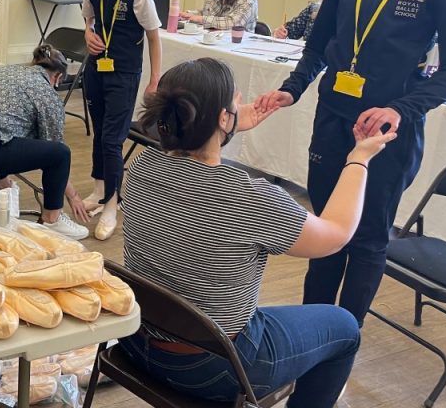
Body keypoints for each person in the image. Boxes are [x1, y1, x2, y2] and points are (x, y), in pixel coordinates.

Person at [121, 57, 394, 407]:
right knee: (343, 326)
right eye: (235, 104)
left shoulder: (144, 165)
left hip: (134, 340)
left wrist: (225, 127)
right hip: (211, 368)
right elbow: (337, 233)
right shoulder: (250, 198)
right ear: (222, 117)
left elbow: (193, 163)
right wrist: (359, 159)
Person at [255, 0, 446, 326]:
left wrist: (401, 109)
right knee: (324, 231)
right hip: (333, 121)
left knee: (365, 241)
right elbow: (318, 48)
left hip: (385, 135)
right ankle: (313, 332)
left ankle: (344, 340)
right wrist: (292, 89)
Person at [0, 45, 91, 240]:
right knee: (61, 154)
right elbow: (55, 149)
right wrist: (74, 197)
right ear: (58, 77)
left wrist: (3, 180)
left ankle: (4, 185)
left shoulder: (9, 71)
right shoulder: (47, 94)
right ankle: (52, 219)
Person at [81, 0, 162, 240]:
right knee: (100, 131)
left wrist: (154, 80)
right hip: (96, 69)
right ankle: (99, 190)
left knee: (113, 140)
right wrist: (87, 34)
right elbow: (88, 21)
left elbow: (154, 39)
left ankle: (113, 205)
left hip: (124, 74)